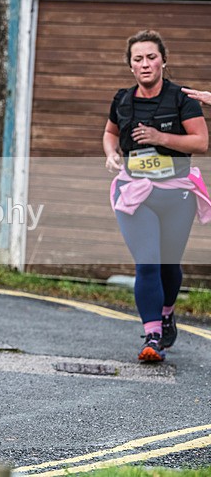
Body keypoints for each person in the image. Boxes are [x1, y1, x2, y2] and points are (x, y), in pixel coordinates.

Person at [103, 30, 210, 362]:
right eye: (138, 59)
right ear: (131, 66)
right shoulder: (122, 99)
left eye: (151, 57)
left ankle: (166, 313)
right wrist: (110, 153)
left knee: (167, 264)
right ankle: (152, 336)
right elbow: (110, 133)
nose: (145, 63)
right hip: (135, 191)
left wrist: (158, 137)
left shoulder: (182, 98)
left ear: (164, 60)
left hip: (175, 193)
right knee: (147, 261)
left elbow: (200, 143)